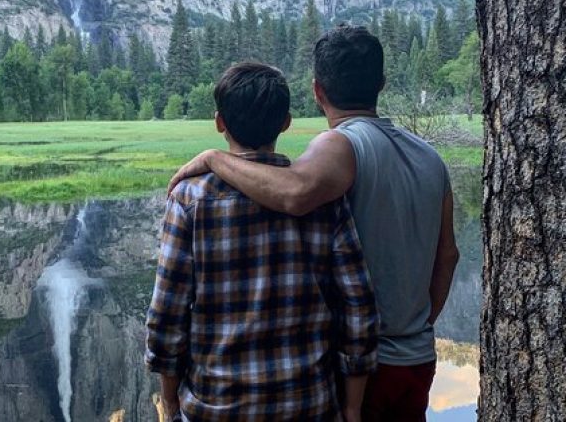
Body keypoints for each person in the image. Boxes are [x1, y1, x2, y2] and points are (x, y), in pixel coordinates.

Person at [169, 26, 460, 422]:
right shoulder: (430, 158)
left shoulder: (340, 143)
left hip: (363, 365)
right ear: (382, 84)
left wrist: (214, 159)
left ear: (318, 91)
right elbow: (448, 256)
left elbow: (294, 193)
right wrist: (421, 323)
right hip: (418, 358)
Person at [146, 62, 379, 421]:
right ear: (286, 122)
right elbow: (357, 308)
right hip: (308, 407)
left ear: (219, 122)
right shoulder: (323, 197)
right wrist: (352, 407)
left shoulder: (189, 199)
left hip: (214, 409)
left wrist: (171, 405)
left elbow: (167, 315)